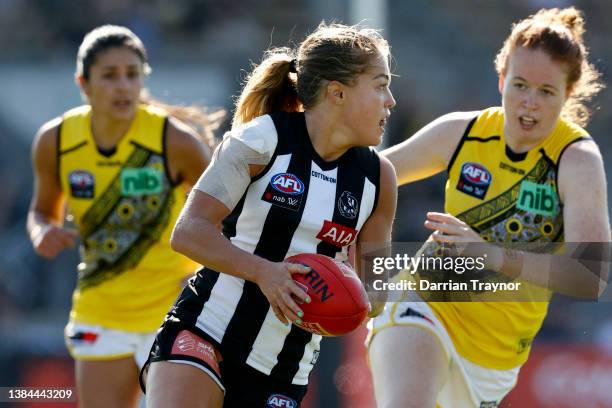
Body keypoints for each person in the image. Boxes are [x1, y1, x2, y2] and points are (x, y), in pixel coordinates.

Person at [141, 22, 397, 408]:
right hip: (207, 331)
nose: (390, 100)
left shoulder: (379, 178)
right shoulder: (261, 141)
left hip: (283, 371)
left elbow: (375, 293)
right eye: (380, 85)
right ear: (337, 92)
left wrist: (361, 294)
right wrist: (265, 272)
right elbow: (189, 231)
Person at [368, 7, 610, 408]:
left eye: (546, 91)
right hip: (424, 301)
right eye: (519, 85)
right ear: (501, 80)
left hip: (493, 359)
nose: (528, 103)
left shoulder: (576, 160)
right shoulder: (463, 132)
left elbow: (592, 275)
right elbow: (370, 178)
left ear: (568, 94)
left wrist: (492, 255)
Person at [27, 25, 222, 408]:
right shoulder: (57, 142)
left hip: (173, 305)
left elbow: (223, 216)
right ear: (84, 83)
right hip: (101, 309)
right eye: (110, 76)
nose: (123, 86)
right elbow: (41, 213)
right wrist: (42, 234)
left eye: (132, 75)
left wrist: (207, 270)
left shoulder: (175, 142)